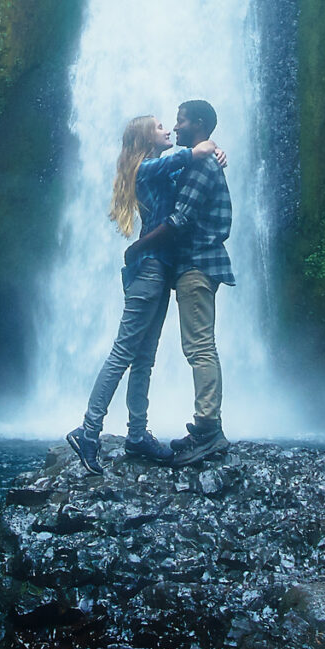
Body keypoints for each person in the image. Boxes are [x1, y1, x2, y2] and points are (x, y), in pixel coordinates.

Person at [66, 114, 223, 474]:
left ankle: (137, 434)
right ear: (145, 141)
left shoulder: (162, 169)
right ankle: (88, 431)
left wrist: (213, 151)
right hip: (149, 270)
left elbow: (187, 171)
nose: (168, 129)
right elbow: (182, 160)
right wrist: (203, 147)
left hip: (161, 270)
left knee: (145, 357)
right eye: (158, 127)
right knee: (124, 351)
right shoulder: (146, 169)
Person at [121, 99, 233, 466]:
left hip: (198, 264)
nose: (175, 126)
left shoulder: (201, 165)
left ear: (198, 124)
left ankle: (208, 430)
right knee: (197, 346)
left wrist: (140, 244)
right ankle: (204, 426)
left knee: (199, 346)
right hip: (191, 265)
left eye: (181, 121)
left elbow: (181, 219)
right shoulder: (194, 160)